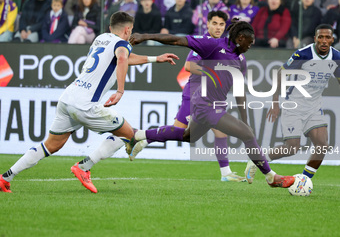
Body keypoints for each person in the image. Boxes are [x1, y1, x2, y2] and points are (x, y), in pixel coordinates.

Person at [0, 11, 179, 193]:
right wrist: (120, 90)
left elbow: (121, 58)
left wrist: (154, 59)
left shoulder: (101, 38)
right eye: (131, 30)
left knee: (50, 145)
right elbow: (123, 58)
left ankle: (5, 177)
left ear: (110, 28)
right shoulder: (122, 44)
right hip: (86, 105)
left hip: (68, 98)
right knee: (127, 135)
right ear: (127, 29)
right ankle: (84, 167)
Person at [128, 20, 296, 188]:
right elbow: (176, 40)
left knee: (187, 136)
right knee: (248, 135)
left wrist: (245, 121)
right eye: (250, 42)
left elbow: (239, 92)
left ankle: (139, 135)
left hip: (215, 106)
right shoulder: (212, 45)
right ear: (241, 37)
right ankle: (271, 177)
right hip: (205, 105)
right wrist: (144, 36)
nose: (251, 45)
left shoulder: (241, 60)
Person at [253, 24, 340, 181]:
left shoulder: (336, 57)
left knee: (322, 145)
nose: (324, 41)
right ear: (315, 39)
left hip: (315, 107)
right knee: (292, 148)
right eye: (320, 37)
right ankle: (257, 160)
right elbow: (280, 73)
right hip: (294, 105)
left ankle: (304, 180)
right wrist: (275, 102)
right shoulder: (303, 54)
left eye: (328, 37)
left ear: (333, 39)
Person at [173, 11, 246, 182]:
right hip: (194, 94)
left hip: (211, 97)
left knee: (221, 133)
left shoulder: (224, 45)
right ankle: (141, 137)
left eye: (221, 24)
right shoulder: (203, 40)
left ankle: (226, 174)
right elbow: (189, 65)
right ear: (208, 24)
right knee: (179, 132)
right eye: (215, 23)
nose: (218, 27)